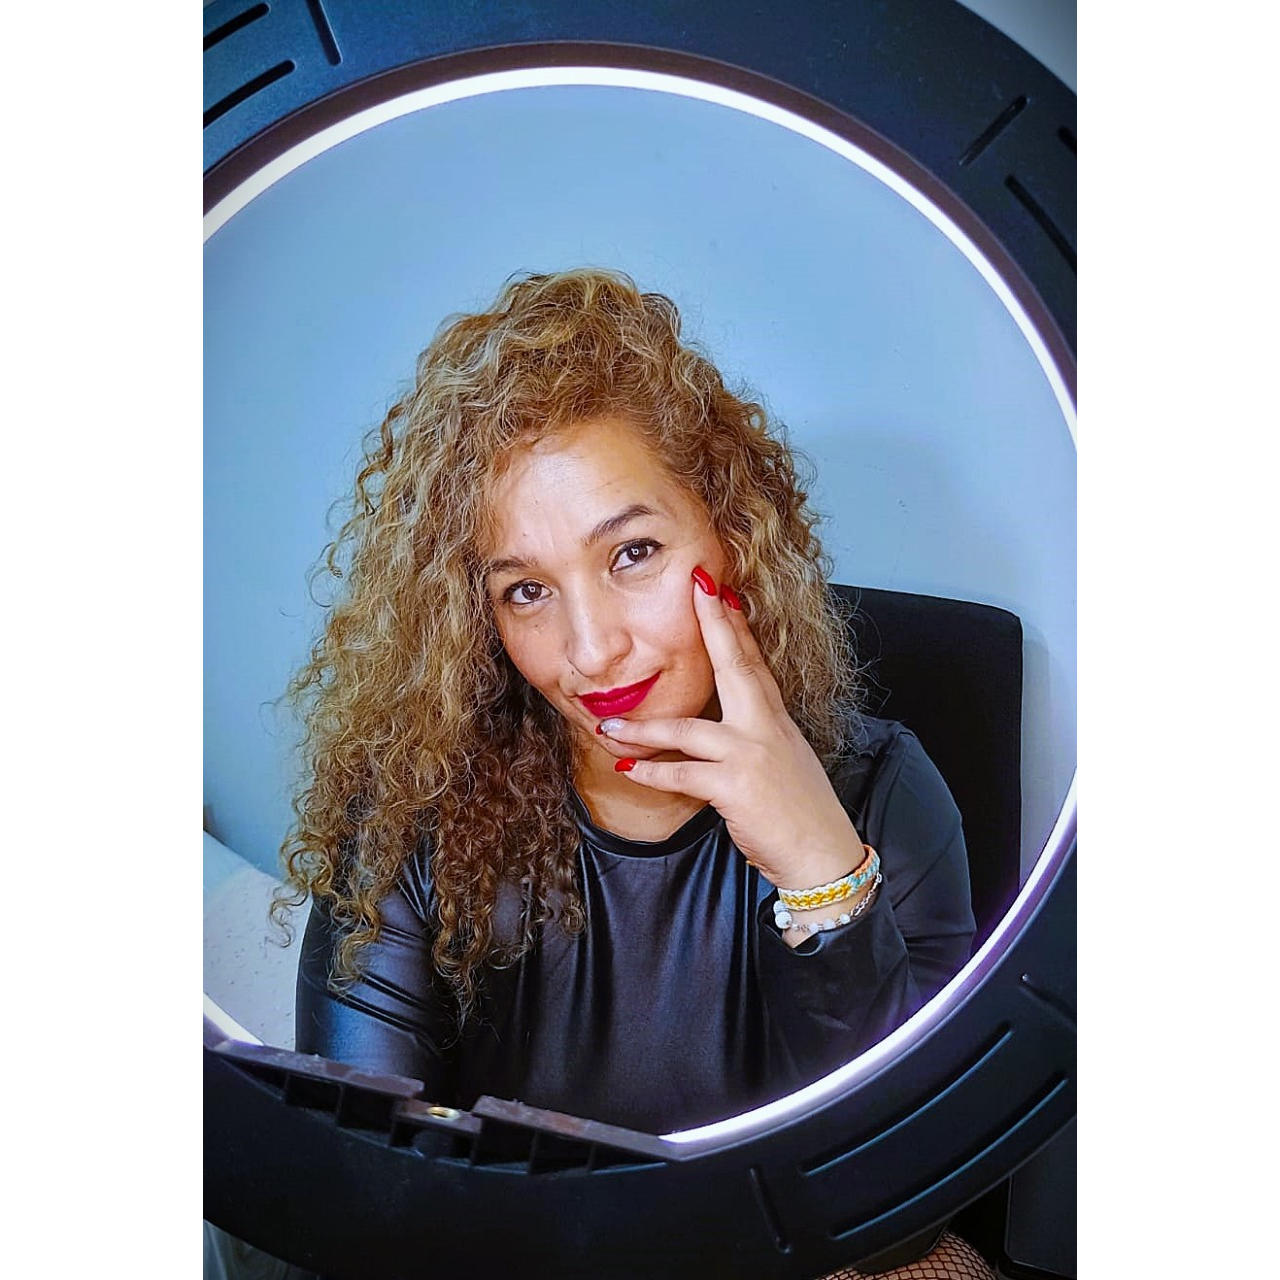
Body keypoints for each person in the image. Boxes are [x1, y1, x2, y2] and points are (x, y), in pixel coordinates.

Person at [277, 268, 987, 1277]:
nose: (592, 648)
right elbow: (365, 1194)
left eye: (632, 553)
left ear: (730, 531)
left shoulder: (881, 789)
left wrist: (821, 875)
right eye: (527, 590)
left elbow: (896, 1225)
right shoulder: (410, 813)